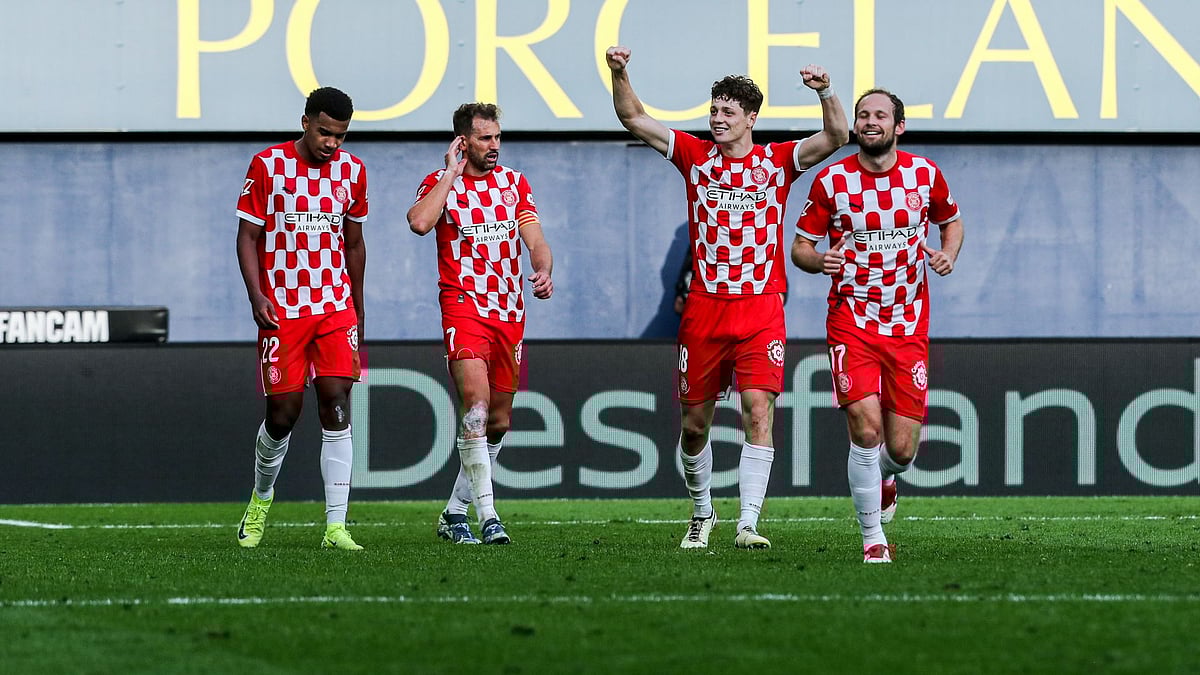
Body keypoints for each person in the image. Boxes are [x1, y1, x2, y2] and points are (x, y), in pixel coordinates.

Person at [606, 45, 849, 550]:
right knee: (694, 427)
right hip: (705, 307)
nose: (717, 119)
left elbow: (836, 136)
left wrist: (825, 91)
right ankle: (702, 513)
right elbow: (632, 116)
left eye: (727, 112)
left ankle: (748, 522)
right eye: (714, 110)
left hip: (761, 305)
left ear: (750, 118)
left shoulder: (777, 161)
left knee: (758, 410)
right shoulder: (694, 156)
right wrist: (620, 72)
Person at [791, 88, 964, 563]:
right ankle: (873, 541)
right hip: (852, 322)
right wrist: (817, 260)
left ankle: (886, 477)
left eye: (880, 115)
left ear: (898, 126)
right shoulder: (831, 181)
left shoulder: (923, 174)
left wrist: (948, 253)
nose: (870, 121)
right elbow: (800, 248)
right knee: (865, 431)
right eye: (863, 114)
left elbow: (952, 222)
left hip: (907, 324)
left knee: (902, 449)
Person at [408, 102, 554, 545]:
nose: (494, 146)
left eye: (497, 137)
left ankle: (454, 512)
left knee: (498, 420)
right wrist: (450, 173)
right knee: (475, 405)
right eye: (485, 138)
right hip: (463, 307)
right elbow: (418, 222)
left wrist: (544, 268)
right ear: (463, 141)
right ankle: (489, 516)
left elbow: (536, 239)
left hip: (508, 313)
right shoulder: (440, 183)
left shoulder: (514, 183)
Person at [234, 86, 368, 551]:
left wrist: (358, 306)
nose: (332, 144)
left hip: (334, 307)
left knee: (336, 403)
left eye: (341, 136)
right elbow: (247, 237)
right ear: (306, 121)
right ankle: (261, 497)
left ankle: (336, 526)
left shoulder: (353, 172)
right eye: (325, 132)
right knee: (283, 413)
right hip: (284, 309)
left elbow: (353, 244)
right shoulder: (267, 165)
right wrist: (256, 294)